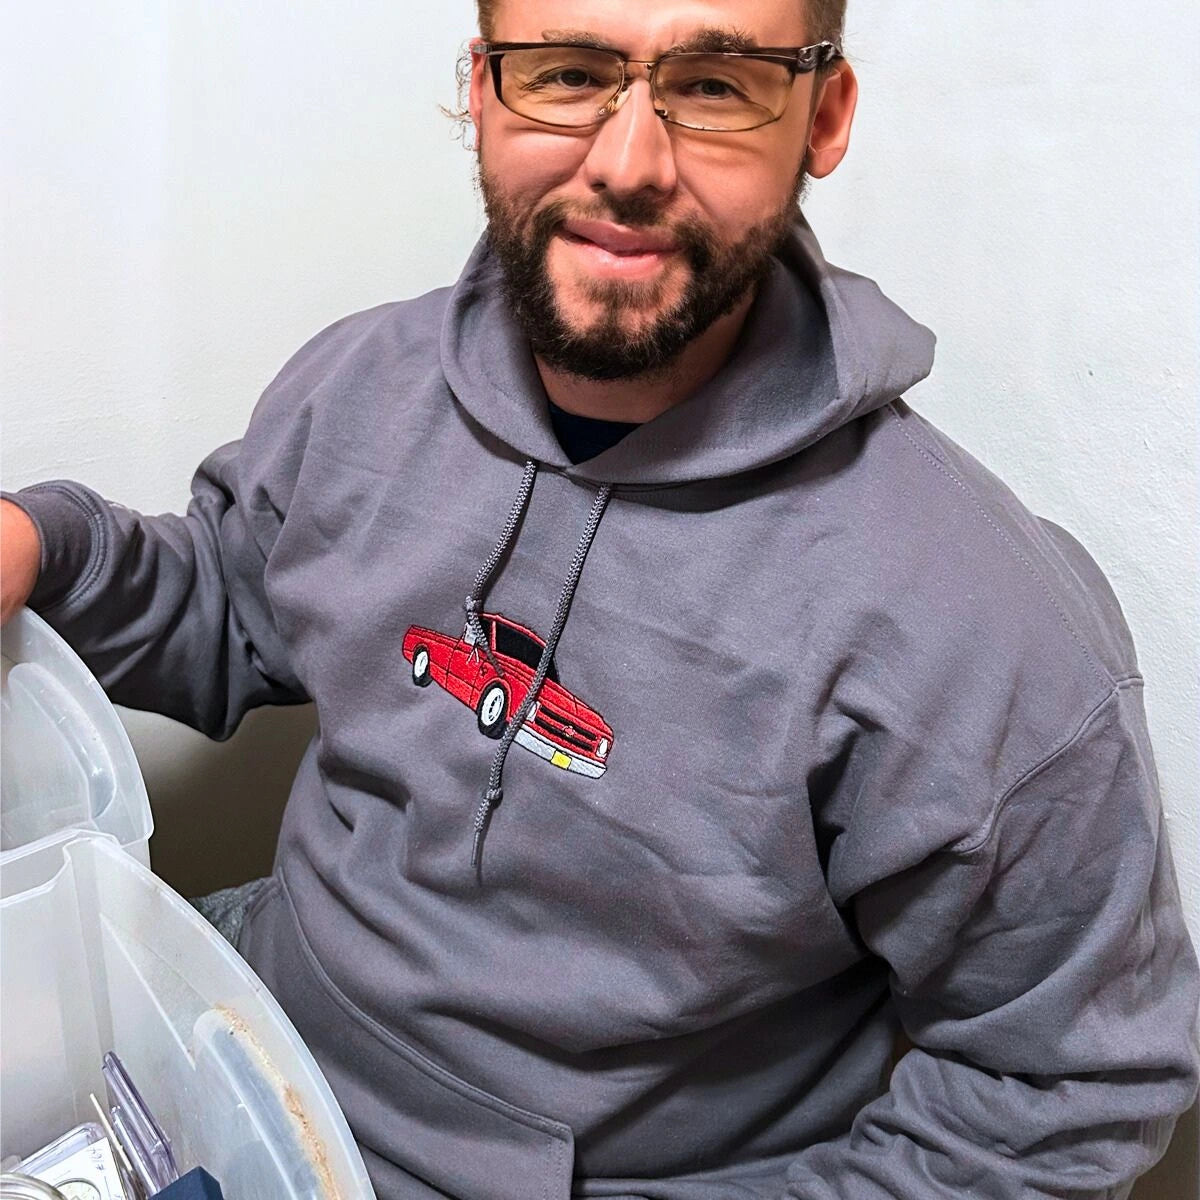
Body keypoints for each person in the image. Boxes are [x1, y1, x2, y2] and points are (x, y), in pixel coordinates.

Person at [2, 0, 1197, 1196]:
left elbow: (1066, 1084)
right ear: (480, 91)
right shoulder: (361, 382)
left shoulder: (979, 624)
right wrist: (40, 549)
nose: (628, 164)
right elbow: (229, 601)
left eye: (718, 84)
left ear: (823, 116)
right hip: (238, 1028)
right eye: (567, 74)